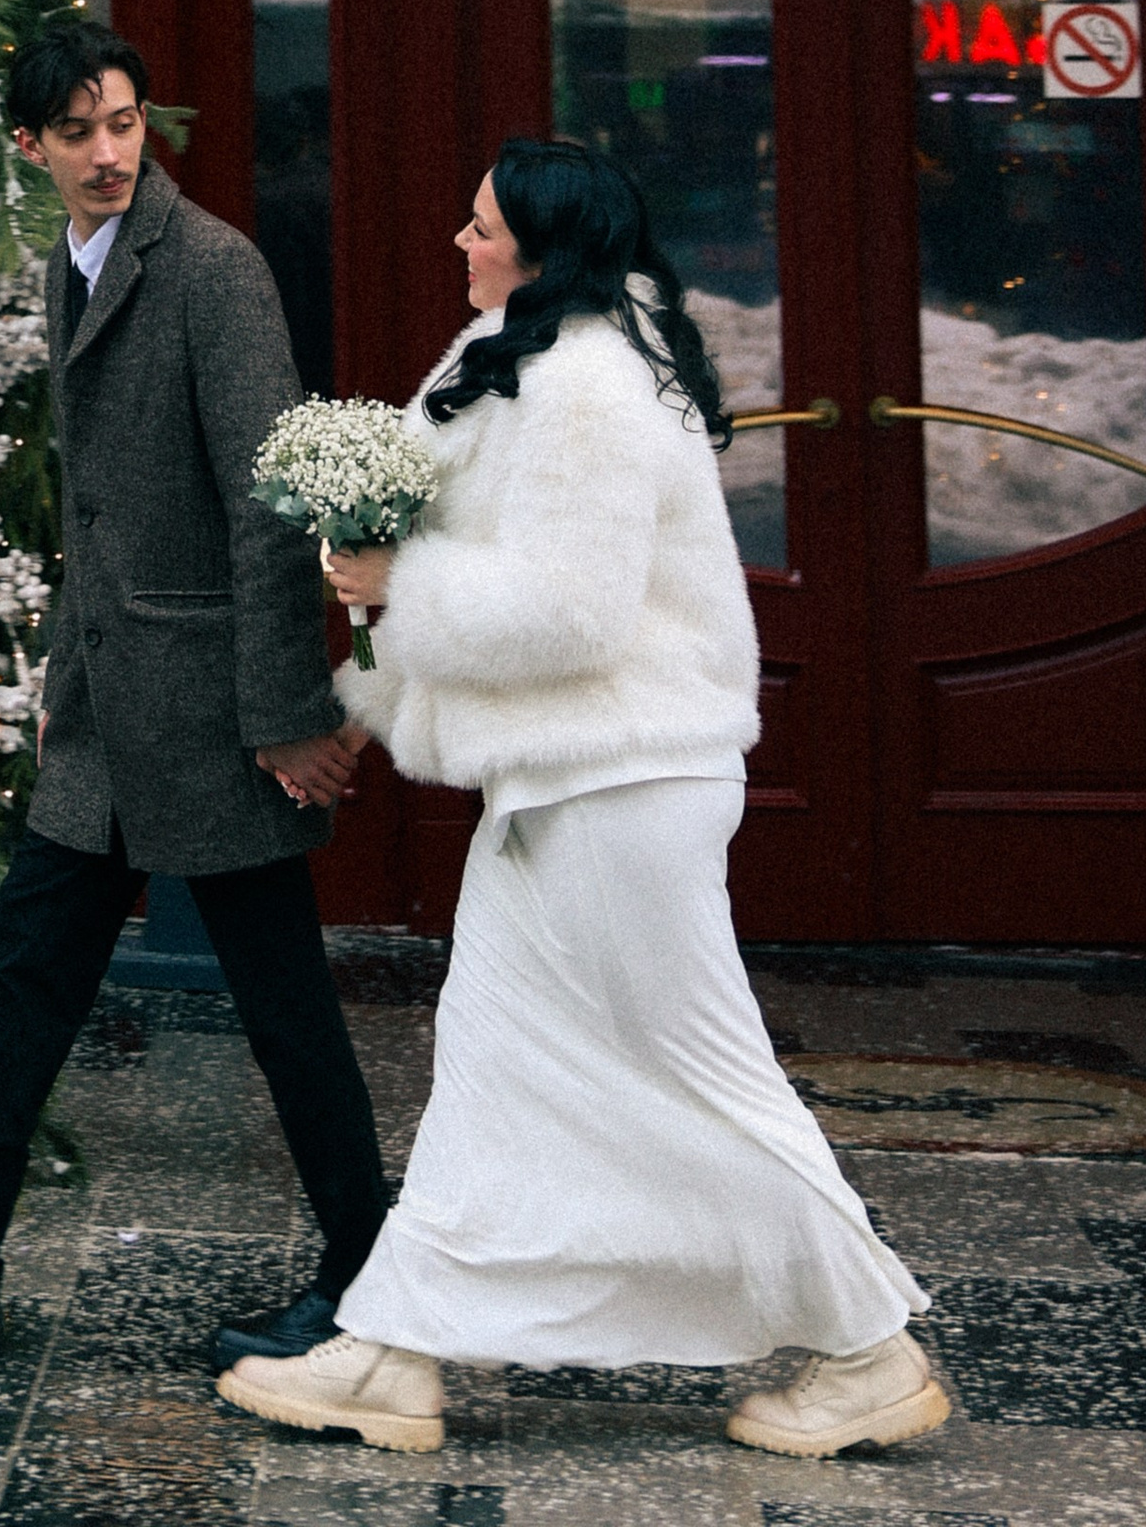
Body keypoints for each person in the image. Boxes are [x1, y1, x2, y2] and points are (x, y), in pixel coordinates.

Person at [218, 138, 947, 1466]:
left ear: (543, 251)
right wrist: (373, 613)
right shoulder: (537, 356)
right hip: (575, 782)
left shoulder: (589, 384)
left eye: (482, 224)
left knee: (701, 1073)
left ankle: (870, 1350)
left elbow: (568, 609)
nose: (459, 239)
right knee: (493, 1063)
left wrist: (395, 586)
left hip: (624, 785)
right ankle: (395, 1348)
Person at [0, 21, 388, 1363]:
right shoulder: (78, 261)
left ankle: (369, 1279)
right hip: (111, 710)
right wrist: (66, 668)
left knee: (284, 1004)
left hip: (213, 711)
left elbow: (269, 494)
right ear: (31, 147)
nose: (109, 151)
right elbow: (96, 506)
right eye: (79, 132)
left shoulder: (213, 270)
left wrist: (289, 709)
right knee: (31, 974)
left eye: (123, 123)